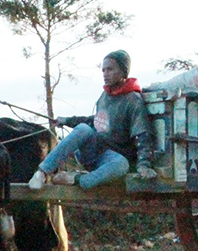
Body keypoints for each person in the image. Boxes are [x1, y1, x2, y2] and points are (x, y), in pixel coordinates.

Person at [27, 49, 156, 190]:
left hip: (112, 159)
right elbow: (96, 120)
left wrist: (144, 165)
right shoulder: (105, 96)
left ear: (123, 71)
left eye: (110, 69)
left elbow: (142, 134)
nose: (105, 74)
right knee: (83, 129)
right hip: (94, 150)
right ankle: (41, 173)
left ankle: (76, 179)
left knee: (121, 164)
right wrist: (67, 121)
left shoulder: (133, 100)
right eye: (103, 70)